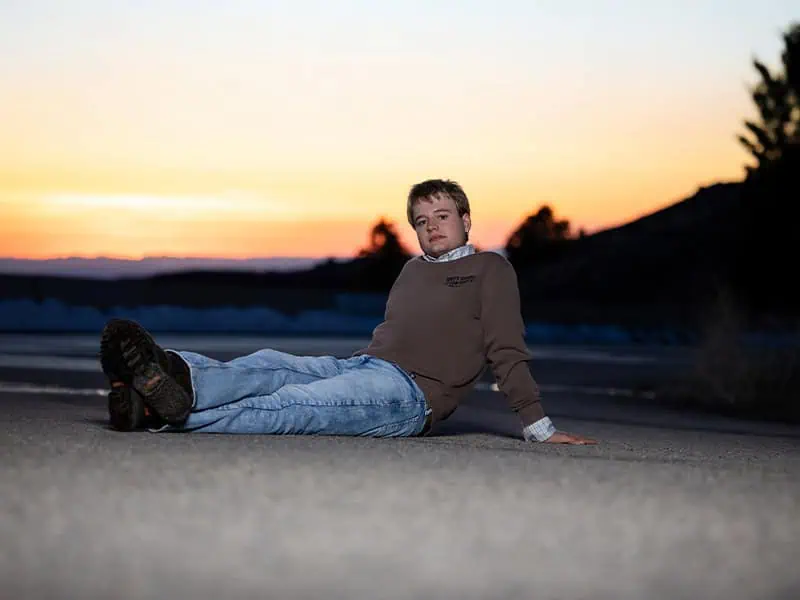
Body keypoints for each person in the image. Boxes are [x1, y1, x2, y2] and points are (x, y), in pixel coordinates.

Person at [100, 179, 596, 445]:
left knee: (292, 405)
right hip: (366, 367)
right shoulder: (412, 270)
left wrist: (538, 424)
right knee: (274, 364)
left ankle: (167, 415)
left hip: (409, 398)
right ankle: (171, 373)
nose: (431, 228)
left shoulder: (491, 270)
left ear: (466, 219)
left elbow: (505, 348)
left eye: (442, 216)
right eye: (421, 221)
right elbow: (393, 340)